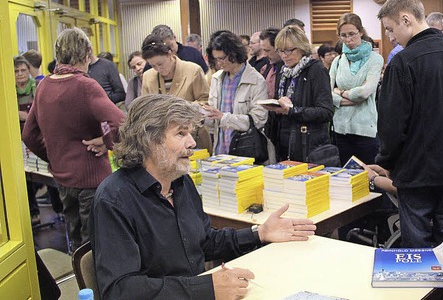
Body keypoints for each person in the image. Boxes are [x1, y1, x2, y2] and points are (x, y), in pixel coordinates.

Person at [91, 94, 316, 299]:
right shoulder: (114, 199)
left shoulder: (180, 182)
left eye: (190, 132)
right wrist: (206, 289)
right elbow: (120, 290)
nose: (192, 143)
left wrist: (260, 233)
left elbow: (203, 241)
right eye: (181, 133)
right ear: (148, 139)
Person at [376, 0, 443, 248]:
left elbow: (392, 124)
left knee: (417, 246)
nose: (390, 37)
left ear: (407, 19)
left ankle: (424, 290)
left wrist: (385, 161)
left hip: (415, 173)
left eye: (390, 29)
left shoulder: (402, 62)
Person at [22, 28, 124, 250]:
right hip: (91, 179)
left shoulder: (43, 86)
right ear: (87, 54)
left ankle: (80, 284)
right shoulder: (86, 85)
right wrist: (106, 142)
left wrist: (55, 155)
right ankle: (96, 285)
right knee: (95, 246)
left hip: (62, 178)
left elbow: (29, 135)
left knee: (76, 243)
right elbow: (121, 122)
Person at [262, 25, 333, 162]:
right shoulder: (284, 71)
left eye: (288, 50)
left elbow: (326, 112)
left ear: (301, 47)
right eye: (280, 51)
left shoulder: (316, 70)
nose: (284, 55)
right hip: (284, 144)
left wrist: (292, 111)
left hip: (308, 145)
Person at [141, 34, 211, 151]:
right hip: (161, 140)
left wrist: (182, 107)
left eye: (160, 64)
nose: (158, 69)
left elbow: (206, 102)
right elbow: (144, 108)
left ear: (170, 54)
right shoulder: (148, 76)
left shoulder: (193, 70)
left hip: (192, 136)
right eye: (153, 66)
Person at [329, 13, 383, 165]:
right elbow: (327, 93)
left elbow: (366, 92)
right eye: (343, 35)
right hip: (340, 130)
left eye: (352, 34)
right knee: (346, 178)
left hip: (366, 130)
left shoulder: (375, 59)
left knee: (370, 178)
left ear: (361, 32)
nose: (348, 39)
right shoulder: (338, 61)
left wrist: (340, 92)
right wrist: (350, 97)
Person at [202, 31, 268, 155]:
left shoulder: (256, 80)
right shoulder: (217, 78)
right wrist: (202, 116)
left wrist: (224, 117)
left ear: (234, 53)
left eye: (222, 58)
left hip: (245, 152)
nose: (219, 63)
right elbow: (213, 122)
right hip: (220, 150)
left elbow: (258, 120)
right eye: (215, 59)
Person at [15, 55, 42, 224]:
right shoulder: (8, 94)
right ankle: (32, 213)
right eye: (16, 71)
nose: (20, 74)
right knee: (25, 180)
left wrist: (29, 116)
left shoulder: (37, 88)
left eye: (23, 70)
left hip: (38, 138)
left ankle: (58, 210)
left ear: (29, 71)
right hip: (17, 142)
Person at [258, 27, 283, 99]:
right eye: (263, 50)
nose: (264, 55)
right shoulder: (265, 68)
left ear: (279, 48)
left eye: (267, 51)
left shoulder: (290, 69)